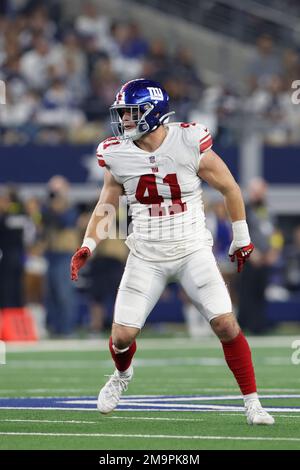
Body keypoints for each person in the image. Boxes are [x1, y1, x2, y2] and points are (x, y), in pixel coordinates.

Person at [70, 78, 274, 425]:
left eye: (132, 114)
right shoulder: (116, 152)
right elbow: (108, 202)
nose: (125, 121)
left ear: (153, 112)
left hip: (192, 248)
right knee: (121, 337)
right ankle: (121, 375)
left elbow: (229, 187)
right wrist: (89, 244)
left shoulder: (189, 140)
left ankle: (253, 403)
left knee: (226, 324)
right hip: (145, 254)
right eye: (123, 114)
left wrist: (241, 237)